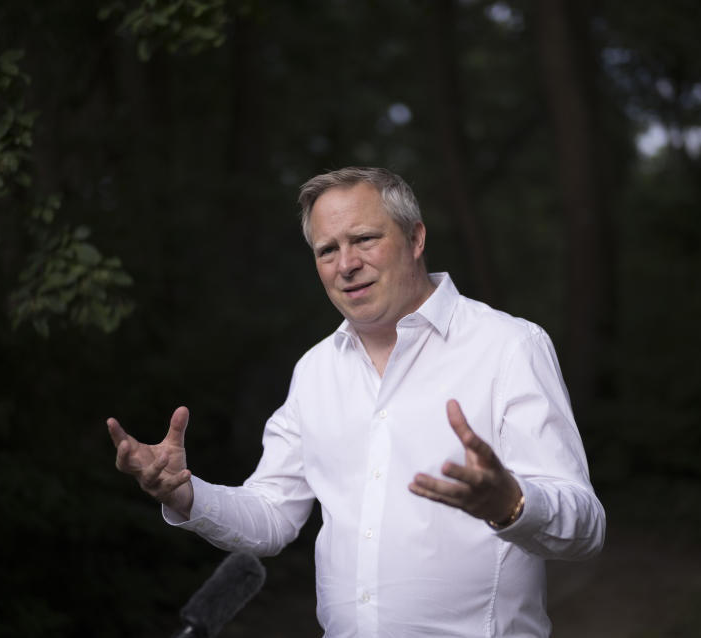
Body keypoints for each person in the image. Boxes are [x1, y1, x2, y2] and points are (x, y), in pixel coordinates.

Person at [107, 167, 605, 637]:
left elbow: (585, 526)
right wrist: (184, 494)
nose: (346, 265)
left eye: (365, 239)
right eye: (328, 250)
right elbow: (272, 515)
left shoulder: (508, 346)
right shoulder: (315, 370)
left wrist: (512, 503)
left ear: (416, 239)